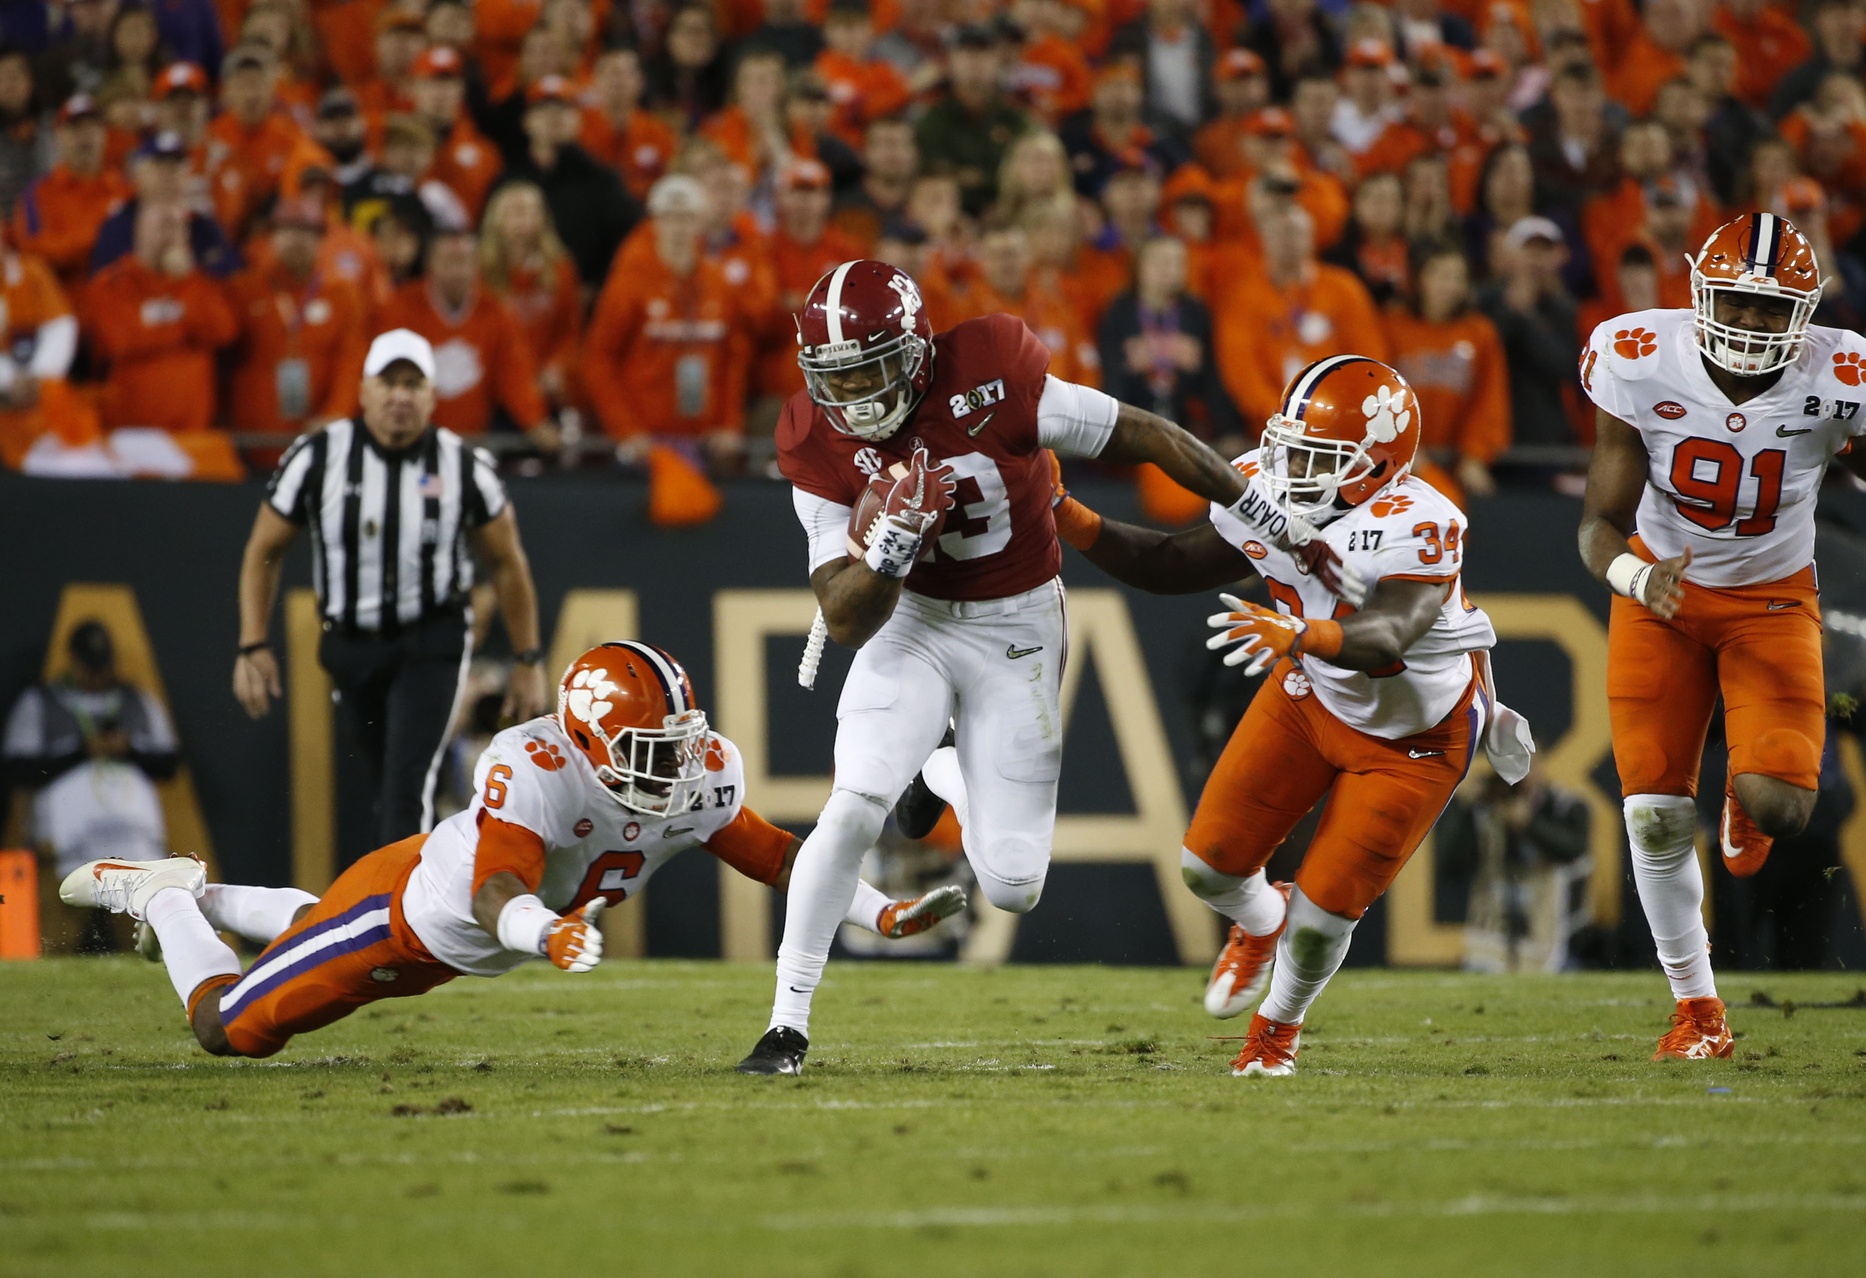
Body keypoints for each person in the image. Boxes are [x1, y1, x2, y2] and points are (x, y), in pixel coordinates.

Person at [736, 258, 1261, 1075]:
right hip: (907, 621)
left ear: (914, 350)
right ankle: (786, 1025)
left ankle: (940, 770)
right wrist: (892, 551)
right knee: (851, 804)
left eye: (873, 366)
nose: (857, 394)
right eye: (836, 376)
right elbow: (843, 617)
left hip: (1014, 623)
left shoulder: (993, 370)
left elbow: (1148, 434)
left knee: (1015, 885)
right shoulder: (811, 433)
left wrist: (1256, 509)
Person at [63, 643, 967, 1058]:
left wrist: (880, 910)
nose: (680, 768)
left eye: (683, 743)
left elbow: (781, 859)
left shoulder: (694, 777)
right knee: (229, 1030)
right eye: (653, 751)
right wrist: (544, 936)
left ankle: (202, 896)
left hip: (446, 936)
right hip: (406, 921)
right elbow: (499, 887)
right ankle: (165, 899)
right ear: (587, 742)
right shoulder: (534, 764)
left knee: (309, 926)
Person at [1032, 355, 1532, 1075]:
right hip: (1313, 695)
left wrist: (1305, 637)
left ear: (1375, 463)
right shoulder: (1271, 487)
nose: (1290, 467)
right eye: (1288, 446)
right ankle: (1262, 919)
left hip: (1415, 733)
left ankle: (1275, 1033)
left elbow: (1390, 632)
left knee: (1326, 915)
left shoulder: (1421, 519)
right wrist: (1066, 514)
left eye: (1316, 455)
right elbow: (1173, 563)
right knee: (1205, 868)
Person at [1575, 212, 1866, 1060]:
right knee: (1658, 816)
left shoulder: (1839, 376)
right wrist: (1636, 577)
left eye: (1771, 311)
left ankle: (1745, 795)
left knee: (1787, 805)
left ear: (1803, 316)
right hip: (1660, 603)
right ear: (1701, 294)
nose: (1749, 323)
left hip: (1772, 602)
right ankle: (1697, 1009)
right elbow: (1597, 526)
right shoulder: (1638, 358)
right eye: (1735, 303)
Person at [232, 330, 548, 860]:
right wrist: (251, 642)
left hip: (432, 640)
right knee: (388, 782)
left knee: (406, 787)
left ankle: (400, 924)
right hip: (351, 647)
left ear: (431, 396)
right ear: (364, 390)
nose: (400, 395)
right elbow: (264, 549)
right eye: (389, 382)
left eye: (413, 383)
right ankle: (414, 902)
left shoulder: (463, 465)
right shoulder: (317, 456)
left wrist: (529, 657)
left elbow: (507, 563)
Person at [3, 622, 180, 916]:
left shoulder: (138, 701)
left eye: (103, 665)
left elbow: (169, 764)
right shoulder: (40, 701)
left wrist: (129, 750)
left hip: (131, 837)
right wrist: (83, 751)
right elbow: (18, 768)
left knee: (141, 917)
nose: (97, 675)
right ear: (72, 660)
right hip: (66, 840)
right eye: (89, 666)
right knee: (64, 925)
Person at [583, 175, 749, 463]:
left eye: (686, 218)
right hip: (646, 444)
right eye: (669, 217)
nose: (678, 228)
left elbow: (732, 359)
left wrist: (729, 424)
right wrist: (626, 430)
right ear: (655, 223)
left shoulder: (717, 282)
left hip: (705, 441)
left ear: (700, 224)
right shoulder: (629, 282)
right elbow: (598, 360)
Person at [375, 224, 554, 444]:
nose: (458, 272)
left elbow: (514, 372)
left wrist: (536, 421)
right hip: (412, 441)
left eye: (465, 262)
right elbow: (384, 373)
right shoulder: (401, 307)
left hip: (473, 441)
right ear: (430, 264)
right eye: (449, 262)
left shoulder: (495, 311)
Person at [81, 198, 239, 434]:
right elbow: (121, 340)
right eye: (164, 225)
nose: (172, 235)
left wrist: (185, 281)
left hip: (192, 430)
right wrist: (185, 328)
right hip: (130, 431)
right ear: (140, 232)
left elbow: (223, 331)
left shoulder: (198, 282)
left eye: (178, 227)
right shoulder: (112, 283)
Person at [224, 195, 370, 436]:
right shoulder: (244, 289)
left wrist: (336, 414)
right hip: (254, 434)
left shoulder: (343, 293)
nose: (297, 239)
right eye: (288, 230)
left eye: (307, 231)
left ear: (321, 240)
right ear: (270, 237)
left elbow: (352, 360)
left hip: (318, 435)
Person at [1385, 241, 1511, 499]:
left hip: (1457, 464)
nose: (1450, 286)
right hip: (1397, 461)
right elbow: (1376, 392)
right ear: (1419, 279)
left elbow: (1490, 400)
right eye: (1441, 275)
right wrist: (1400, 447)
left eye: (1457, 277)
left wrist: (1475, 454)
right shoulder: (1389, 325)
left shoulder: (1480, 332)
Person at [497, 73, 639, 289]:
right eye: (543, 109)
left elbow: (627, 240)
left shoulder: (602, 180)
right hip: (517, 299)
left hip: (585, 299)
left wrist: (599, 287)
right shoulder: (509, 179)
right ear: (526, 121)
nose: (554, 116)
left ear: (578, 120)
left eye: (563, 109)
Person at [10, 92, 129, 290]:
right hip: (65, 305)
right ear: (59, 136)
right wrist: (99, 237)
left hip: (119, 304)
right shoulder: (39, 192)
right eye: (76, 128)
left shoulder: (126, 188)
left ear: (104, 134)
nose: (85, 136)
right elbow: (32, 252)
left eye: (92, 127)